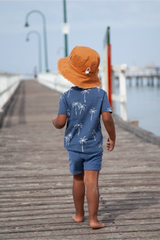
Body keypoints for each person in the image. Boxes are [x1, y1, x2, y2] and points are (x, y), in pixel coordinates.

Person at [52, 46, 116, 229]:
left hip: (73, 147)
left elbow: (60, 123)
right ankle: (94, 220)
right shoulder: (101, 95)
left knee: (77, 179)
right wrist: (113, 137)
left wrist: (53, 121)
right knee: (92, 182)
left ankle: (79, 215)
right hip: (94, 147)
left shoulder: (66, 96)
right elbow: (107, 118)